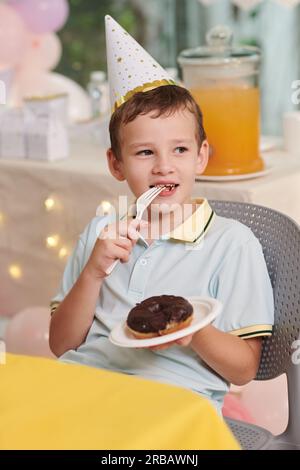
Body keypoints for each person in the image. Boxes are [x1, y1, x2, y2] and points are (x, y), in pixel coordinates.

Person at [49, 16, 274, 415]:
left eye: (180, 150)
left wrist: (193, 329)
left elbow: (243, 369)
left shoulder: (231, 243)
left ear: (202, 156)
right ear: (116, 164)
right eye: (144, 152)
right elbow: (62, 345)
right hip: (84, 389)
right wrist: (93, 273)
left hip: (171, 402)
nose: (164, 167)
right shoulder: (101, 234)